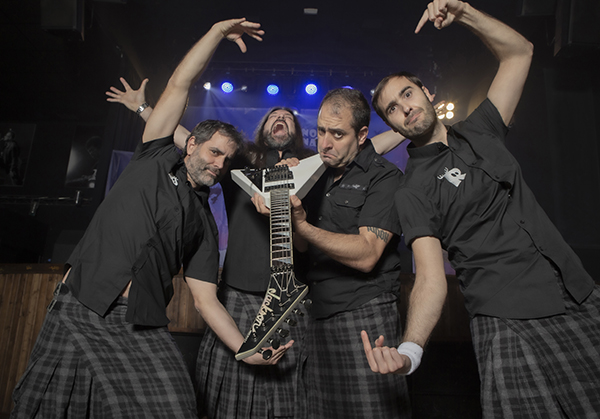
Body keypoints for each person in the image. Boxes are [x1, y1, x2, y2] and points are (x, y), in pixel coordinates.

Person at [10, 18, 292, 419]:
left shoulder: (205, 225)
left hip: (138, 321)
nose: (219, 164)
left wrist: (246, 349)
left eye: (227, 160)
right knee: (50, 408)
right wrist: (215, 33)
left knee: (177, 407)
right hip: (82, 303)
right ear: (191, 145)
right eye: (214, 152)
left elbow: (205, 300)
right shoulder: (154, 157)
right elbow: (180, 83)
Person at [362, 1, 600, 417]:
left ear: (427, 93)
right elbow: (430, 277)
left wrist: (465, 13)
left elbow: (520, 52)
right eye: (392, 109)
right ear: (393, 126)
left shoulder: (482, 127)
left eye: (407, 94)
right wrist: (410, 350)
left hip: (577, 293)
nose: (405, 107)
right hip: (507, 317)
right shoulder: (412, 191)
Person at [107, 83, 313, 417]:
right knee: (224, 395)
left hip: (287, 298)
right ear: (263, 129)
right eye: (274, 115)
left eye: (288, 117)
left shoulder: (308, 170)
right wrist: (143, 109)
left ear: (296, 132)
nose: (280, 117)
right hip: (237, 293)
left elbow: (357, 151)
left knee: (285, 396)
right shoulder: (238, 166)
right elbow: (190, 141)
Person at [255, 87, 410, 418]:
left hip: (365, 313)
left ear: (362, 135)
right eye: (322, 131)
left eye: (337, 134)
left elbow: (367, 254)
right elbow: (302, 247)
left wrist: (302, 225)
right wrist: (280, 205)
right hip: (316, 316)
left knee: (373, 412)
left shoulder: (385, 177)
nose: (325, 143)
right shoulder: (313, 174)